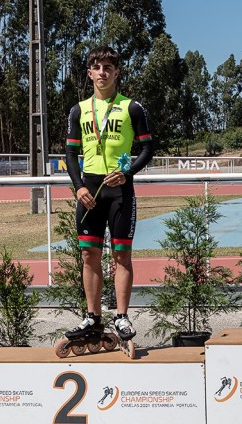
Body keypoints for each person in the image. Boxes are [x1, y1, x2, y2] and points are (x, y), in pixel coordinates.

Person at [64, 46, 154, 345]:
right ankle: (92, 316)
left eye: (108, 68)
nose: (102, 72)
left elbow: (147, 149)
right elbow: (71, 152)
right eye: (97, 67)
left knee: (121, 255)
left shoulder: (132, 108)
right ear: (89, 73)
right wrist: (79, 187)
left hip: (120, 190)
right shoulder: (78, 110)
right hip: (89, 189)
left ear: (117, 73)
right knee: (89, 254)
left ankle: (121, 315)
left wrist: (127, 174)